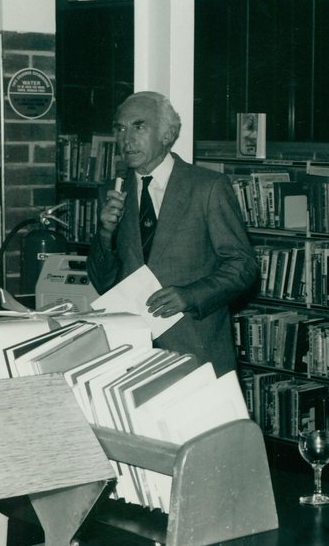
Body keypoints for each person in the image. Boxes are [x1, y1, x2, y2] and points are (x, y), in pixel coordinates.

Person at [87, 91, 258, 376]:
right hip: (133, 355)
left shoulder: (207, 187)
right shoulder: (114, 190)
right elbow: (103, 281)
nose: (126, 138)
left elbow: (243, 266)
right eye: (120, 128)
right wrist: (105, 233)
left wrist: (191, 296)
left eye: (138, 126)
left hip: (195, 349)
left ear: (167, 135)